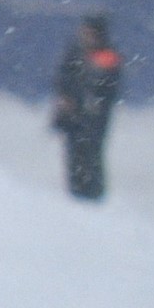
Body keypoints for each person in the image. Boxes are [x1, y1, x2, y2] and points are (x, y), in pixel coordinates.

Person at [52, 12, 126, 203]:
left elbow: (105, 84)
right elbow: (63, 78)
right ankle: (76, 192)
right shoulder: (76, 52)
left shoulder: (106, 56)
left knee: (91, 153)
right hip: (74, 115)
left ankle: (92, 194)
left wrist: (88, 99)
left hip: (93, 117)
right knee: (74, 153)